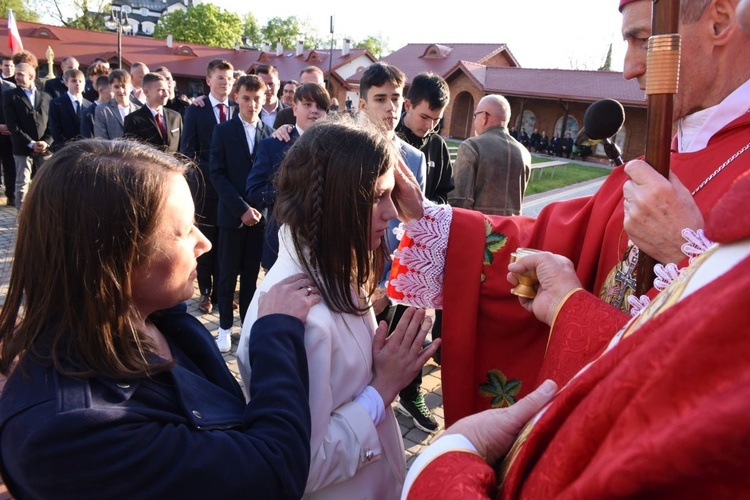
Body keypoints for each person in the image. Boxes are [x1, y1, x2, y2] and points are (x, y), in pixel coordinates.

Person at [387, 0, 750, 426]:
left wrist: (689, 253)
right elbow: (556, 235)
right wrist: (437, 223)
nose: (630, 68)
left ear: (720, 20)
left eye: (642, 40)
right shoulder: (660, 157)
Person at [403, 165, 750, 497]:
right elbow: (568, 234)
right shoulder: (653, 158)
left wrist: (684, 251)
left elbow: (702, 378)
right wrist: (567, 305)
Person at [0, 138, 319, 499]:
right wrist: (275, 334)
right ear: (117, 257)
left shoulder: (155, 319)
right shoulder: (72, 431)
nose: (204, 243)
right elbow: (273, 470)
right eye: (184, 231)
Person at [238, 119, 440, 499]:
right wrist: (382, 388)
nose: (392, 212)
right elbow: (304, 466)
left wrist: (374, 370)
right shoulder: (303, 317)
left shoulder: (331, 271)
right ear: (335, 202)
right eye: (378, 197)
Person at [391, 71, 454, 432]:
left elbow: (445, 193)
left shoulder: (438, 147)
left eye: (435, 120)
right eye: (424, 117)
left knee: (415, 327)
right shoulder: (388, 141)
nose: (429, 125)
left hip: (423, 257)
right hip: (390, 254)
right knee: (384, 325)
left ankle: (411, 393)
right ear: (407, 105)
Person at [209, 74, 273, 352]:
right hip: (231, 217)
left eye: (257, 99)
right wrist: (241, 208)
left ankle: (246, 328)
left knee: (250, 277)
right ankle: (224, 327)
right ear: (236, 98)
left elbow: (271, 178)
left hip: (258, 219)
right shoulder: (223, 131)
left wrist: (257, 209)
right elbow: (217, 173)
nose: (251, 104)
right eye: (246, 98)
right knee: (226, 275)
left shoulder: (269, 135)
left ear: (264, 99)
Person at [246, 82, 330, 270]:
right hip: (281, 246)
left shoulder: (336, 148)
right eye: (307, 104)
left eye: (320, 106)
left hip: (325, 248)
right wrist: (290, 190)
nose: (314, 111)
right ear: (294, 108)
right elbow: (253, 190)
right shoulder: (274, 145)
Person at [180, 59, 236, 315]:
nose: (226, 82)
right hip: (205, 188)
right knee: (206, 240)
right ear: (209, 81)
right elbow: (187, 150)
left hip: (232, 190)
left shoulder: (238, 108)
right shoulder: (197, 109)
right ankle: (204, 292)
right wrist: (214, 170)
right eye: (221, 78)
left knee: (227, 243)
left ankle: (221, 292)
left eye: (229, 78)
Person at [448, 94, 530, 216]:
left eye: (475, 115)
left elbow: (460, 201)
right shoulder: (524, 152)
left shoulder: (471, 146)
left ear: (484, 117)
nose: (474, 119)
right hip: (510, 231)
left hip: (480, 229)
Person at [3, 62, 52, 211]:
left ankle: (45, 213)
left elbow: (51, 123)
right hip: (22, 147)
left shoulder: (45, 97)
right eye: (15, 74)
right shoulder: (10, 96)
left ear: (31, 75)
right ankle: (22, 217)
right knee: (22, 184)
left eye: (20, 74)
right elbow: (12, 125)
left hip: (44, 149)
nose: (16, 77)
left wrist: (46, 142)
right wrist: (30, 143)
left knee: (47, 182)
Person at [124, 73, 182, 152]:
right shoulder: (134, 120)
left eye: (167, 90)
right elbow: (130, 152)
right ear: (146, 92)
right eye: (161, 90)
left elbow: (182, 147)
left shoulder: (175, 117)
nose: (166, 94)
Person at [48, 68, 91, 152]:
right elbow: (55, 128)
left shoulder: (89, 105)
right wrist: (64, 146)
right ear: (66, 83)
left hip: (85, 150)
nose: (77, 84)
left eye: (80, 81)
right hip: (64, 149)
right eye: (74, 81)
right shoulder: (57, 103)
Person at [94, 69, 141, 140]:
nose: (121, 90)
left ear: (131, 87)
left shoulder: (139, 110)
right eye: (116, 87)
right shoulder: (103, 110)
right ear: (110, 87)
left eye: (123, 86)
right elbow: (101, 140)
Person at [80, 75, 113, 139]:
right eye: (111, 91)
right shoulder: (88, 114)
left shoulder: (116, 109)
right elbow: (87, 140)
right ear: (101, 90)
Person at [0, 76, 15, 205]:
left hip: (9, 135)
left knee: (10, 166)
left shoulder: (10, 87)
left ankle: (11, 196)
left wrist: (11, 126)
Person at [255, 65, 285, 129]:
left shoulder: (290, 113)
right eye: (262, 84)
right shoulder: (248, 112)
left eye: (271, 84)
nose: (267, 88)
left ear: (278, 84)